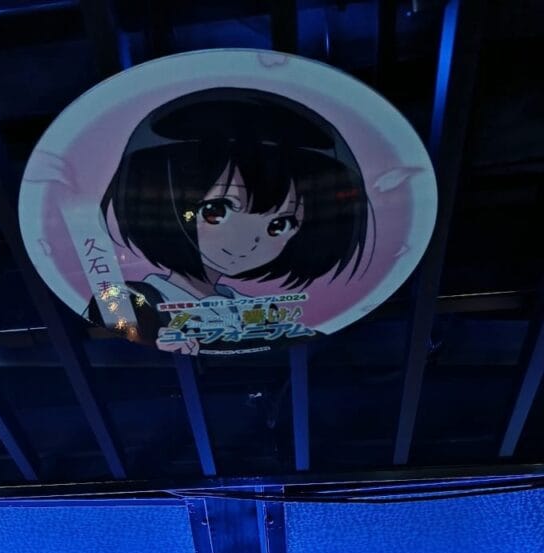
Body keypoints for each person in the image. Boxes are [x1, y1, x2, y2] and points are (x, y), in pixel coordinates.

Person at [91, 87, 370, 353]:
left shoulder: (262, 311)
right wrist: (158, 350)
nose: (248, 242)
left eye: (279, 225)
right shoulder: (128, 301)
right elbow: (110, 345)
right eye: (217, 211)